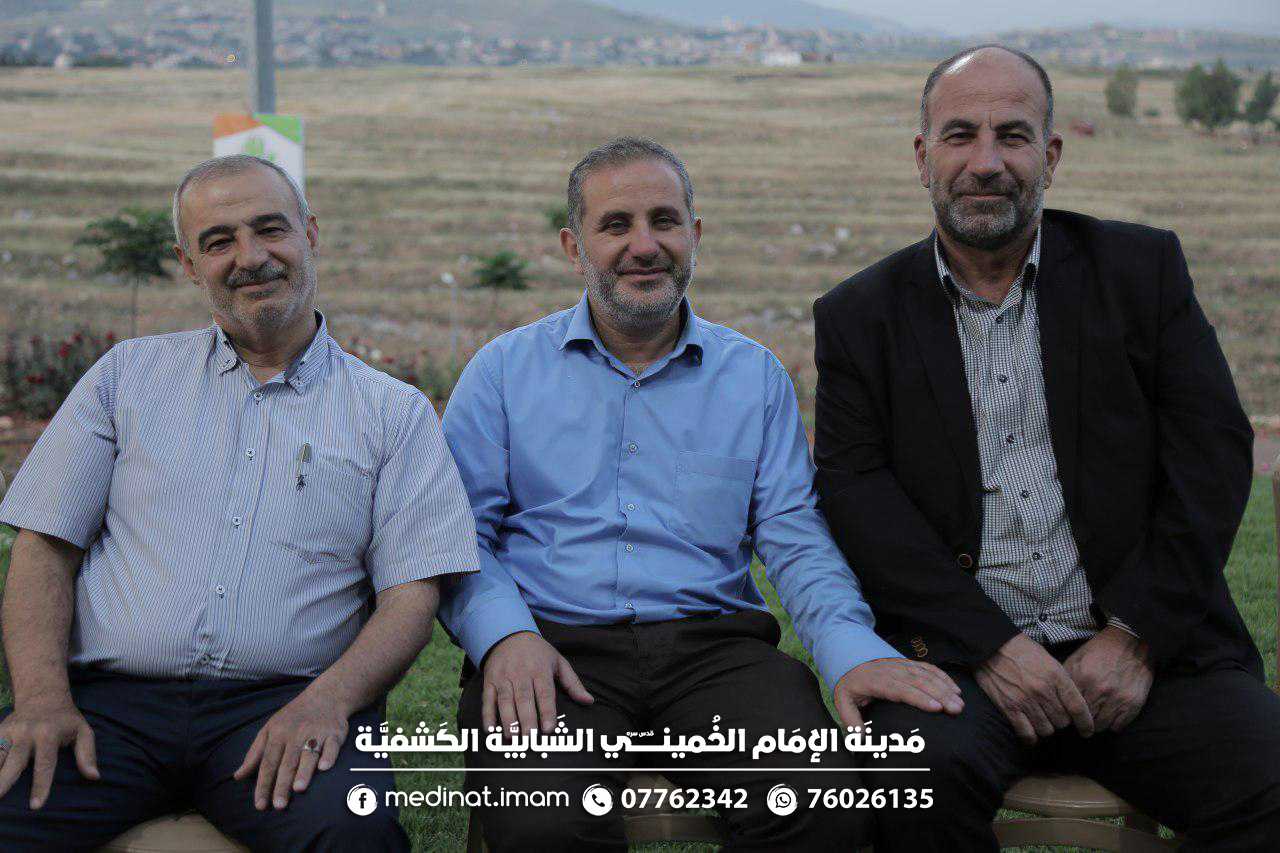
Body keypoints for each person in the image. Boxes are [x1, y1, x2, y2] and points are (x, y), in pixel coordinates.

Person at [812, 45, 1280, 850]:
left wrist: (1135, 634)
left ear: (1051, 156)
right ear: (923, 157)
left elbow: (1212, 454)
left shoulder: (1141, 271)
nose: (986, 162)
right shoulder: (859, 316)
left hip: (1143, 656)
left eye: (1013, 135)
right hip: (959, 664)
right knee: (906, 786)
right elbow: (859, 498)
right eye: (960, 135)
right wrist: (991, 647)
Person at [438, 137, 963, 851]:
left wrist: (851, 651)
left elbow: (795, 539)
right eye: (616, 225)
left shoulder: (754, 378)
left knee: (821, 805)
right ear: (573, 247)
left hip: (715, 654)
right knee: (545, 823)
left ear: (695, 234)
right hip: (551, 647)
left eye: (665, 220)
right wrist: (504, 636)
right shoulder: (500, 374)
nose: (644, 245)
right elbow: (459, 535)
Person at [0, 154, 481, 851]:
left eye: (270, 229)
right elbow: (45, 546)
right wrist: (43, 699)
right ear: (189, 263)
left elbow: (411, 595)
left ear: (310, 235)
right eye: (219, 240)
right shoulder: (126, 378)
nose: (250, 257)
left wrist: (328, 702)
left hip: (286, 705)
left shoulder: (393, 413)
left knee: (353, 835)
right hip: (111, 710)